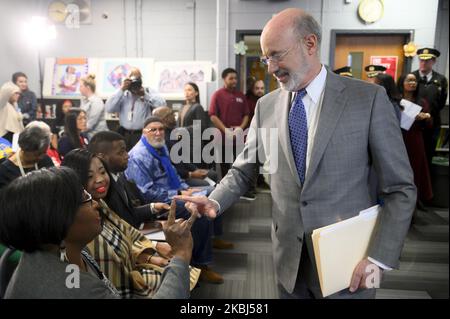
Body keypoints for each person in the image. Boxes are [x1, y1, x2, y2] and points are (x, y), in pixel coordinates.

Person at [177, 8, 416, 299]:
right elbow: (242, 171)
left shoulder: (367, 100)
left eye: (276, 55)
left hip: (350, 264)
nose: (270, 67)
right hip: (288, 263)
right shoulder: (266, 106)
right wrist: (214, 202)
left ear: (310, 44)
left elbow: (400, 189)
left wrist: (378, 258)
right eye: (266, 58)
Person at [62, 149, 200, 298]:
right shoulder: (80, 227)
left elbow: (126, 233)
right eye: (90, 176)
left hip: (132, 265)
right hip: (121, 283)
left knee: (184, 273)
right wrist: (155, 253)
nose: (100, 179)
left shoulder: (102, 203)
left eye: (102, 172)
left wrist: (149, 257)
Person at [125, 116, 224, 283]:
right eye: (153, 129)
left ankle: (212, 237)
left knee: (215, 193)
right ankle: (201, 265)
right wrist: (180, 193)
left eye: (161, 129)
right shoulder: (138, 156)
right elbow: (147, 193)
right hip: (160, 203)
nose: (158, 132)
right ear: (144, 132)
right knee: (198, 211)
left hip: (176, 190)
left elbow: (172, 173)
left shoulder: (159, 146)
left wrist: (185, 188)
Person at [0, 167, 120, 299]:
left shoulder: (63, 251)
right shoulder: (83, 291)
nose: (96, 204)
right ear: (59, 218)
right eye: (85, 199)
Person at [153, 106, 233, 251]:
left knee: (213, 190)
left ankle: (214, 236)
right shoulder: (161, 141)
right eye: (171, 114)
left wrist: (194, 170)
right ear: (163, 119)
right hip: (173, 191)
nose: (174, 116)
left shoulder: (170, 134)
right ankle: (203, 259)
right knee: (201, 203)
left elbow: (179, 162)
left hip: (180, 183)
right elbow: (170, 172)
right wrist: (190, 177)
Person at [88, 130, 171, 228]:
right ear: (102, 157)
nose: (127, 156)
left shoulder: (119, 176)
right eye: (121, 152)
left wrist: (153, 207)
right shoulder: (102, 187)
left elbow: (129, 213)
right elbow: (121, 222)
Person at [105, 67, 166, 151]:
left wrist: (145, 95)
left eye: (137, 79)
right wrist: (121, 89)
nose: (134, 83)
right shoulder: (122, 93)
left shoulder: (148, 91)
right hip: (124, 134)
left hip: (142, 134)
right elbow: (109, 108)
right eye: (131, 80)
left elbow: (162, 105)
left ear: (141, 80)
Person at [398, 73, 433, 210]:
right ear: (402, 82)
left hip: (415, 140)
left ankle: (413, 205)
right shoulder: (395, 100)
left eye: (414, 81)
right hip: (398, 138)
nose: (413, 83)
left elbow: (430, 124)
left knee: (415, 172)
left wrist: (425, 117)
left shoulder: (422, 102)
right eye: (409, 80)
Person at [209, 68, 250, 178]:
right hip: (223, 138)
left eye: (235, 78)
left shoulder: (241, 95)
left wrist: (240, 128)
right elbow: (213, 116)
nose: (234, 81)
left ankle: (242, 190)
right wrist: (226, 131)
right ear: (224, 79)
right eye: (231, 78)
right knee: (224, 167)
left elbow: (246, 114)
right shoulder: (217, 95)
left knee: (241, 165)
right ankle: (224, 193)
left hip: (239, 137)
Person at [412, 48, 449, 166]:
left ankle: (427, 183)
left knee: (428, 155)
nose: (423, 63)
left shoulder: (441, 79)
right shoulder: (411, 77)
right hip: (413, 123)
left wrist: (430, 114)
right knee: (411, 155)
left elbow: (441, 102)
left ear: (433, 61)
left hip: (432, 124)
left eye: (427, 61)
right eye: (421, 60)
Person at [0, 125, 53, 189]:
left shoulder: (45, 160)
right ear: (24, 149)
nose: (41, 157)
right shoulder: (4, 170)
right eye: (37, 154)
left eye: (44, 152)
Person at [179, 82, 211, 168]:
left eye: (189, 90)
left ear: (196, 93)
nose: (187, 92)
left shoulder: (197, 107)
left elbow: (201, 126)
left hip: (194, 144)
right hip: (183, 142)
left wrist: (183, 130)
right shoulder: (182, 107)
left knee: (196, 168)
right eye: (185, 90)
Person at [79, 74, 109, 139]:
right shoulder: (84, 100)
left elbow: (90, 124)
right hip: (89, 136)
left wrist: (77, 132)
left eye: (81, 86)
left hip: (99, 138)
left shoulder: (96, 102)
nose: (79, 89)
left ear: (88, 87)